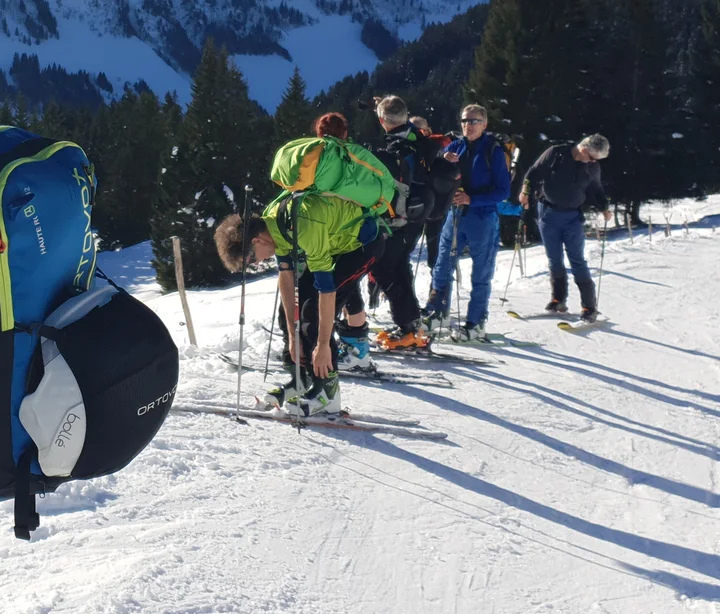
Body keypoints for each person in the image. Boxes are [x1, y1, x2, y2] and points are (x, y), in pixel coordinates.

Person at [216, 113, 389, 413]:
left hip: (364, 245)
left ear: (257, 241)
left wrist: (322, 346)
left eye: (251, 261)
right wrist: (291, 337)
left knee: (316, 314)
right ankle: (302, 377)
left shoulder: (303, 221)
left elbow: (326, 289)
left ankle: (328, 392)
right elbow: (287, 280)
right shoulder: (276, 219)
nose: (257, 264)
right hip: (336, 243)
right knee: (295, 314)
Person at [368, 96, 453, 349]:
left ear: (382, 120)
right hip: (417, 215)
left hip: (399, 218)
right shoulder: (417, 137)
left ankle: (408, 327)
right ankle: (410, 323)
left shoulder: (396, 148)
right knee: (398, 266)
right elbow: (399, 117)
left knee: (383, 269)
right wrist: (384, 105)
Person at [424, 103, 511, 341]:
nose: (467, 125)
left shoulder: (493, 150)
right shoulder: (456, 145)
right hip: (455, 214)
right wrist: (443, 157)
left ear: (484, 124)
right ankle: (438, 312)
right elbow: (435, 167)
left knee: (481, 272)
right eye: (464, 120)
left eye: (473, 121)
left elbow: (503, 191)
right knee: (442, 265)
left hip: (482, 216)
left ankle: (475, 322)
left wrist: (473, 199)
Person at [520, 134, 611, 323]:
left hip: (573, 217)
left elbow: (596, 189)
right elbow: (534, 172)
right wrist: (525, 191)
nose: (594, 162)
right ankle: (558, 299)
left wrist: (604, 207)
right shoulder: (556, 153)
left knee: (577, 259)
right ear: (585, 150)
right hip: (548, 213)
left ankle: (589, 306)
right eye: (593, 157)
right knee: (554, 258)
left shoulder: (592, 167)